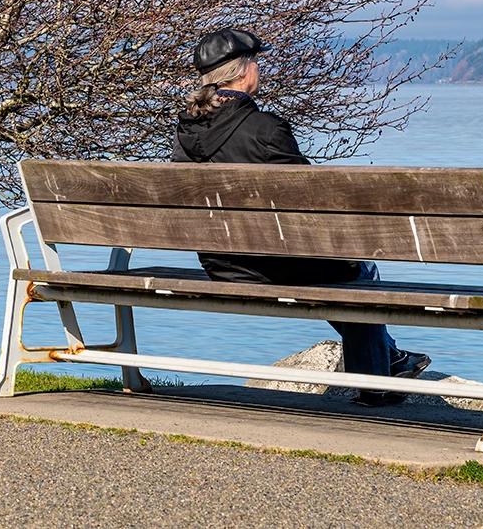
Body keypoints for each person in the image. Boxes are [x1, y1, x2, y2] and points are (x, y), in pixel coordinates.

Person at [170, 28, 431, 407]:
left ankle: (388, 357)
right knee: (358, 272)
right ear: (242, 72)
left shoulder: (185, 132)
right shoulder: (266, 129)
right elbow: (311, 205)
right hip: (275, 263)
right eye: (255, 61)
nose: (258, 68)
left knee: (345, 274)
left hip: (221, 264)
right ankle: (376, 384)